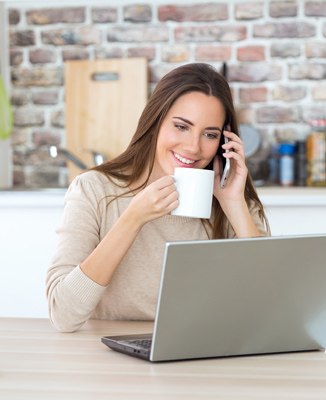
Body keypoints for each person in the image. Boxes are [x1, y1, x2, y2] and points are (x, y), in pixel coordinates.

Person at [46, 63, 270, 332]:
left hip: (207, 353)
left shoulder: (232, 200)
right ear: (155, 122)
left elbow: (272, 308)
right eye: (181, 126)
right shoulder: (94, 190)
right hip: (113, 359)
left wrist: (234, 205)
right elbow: (64, 315)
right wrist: (133, 218)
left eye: (209, 134)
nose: (193, 147)